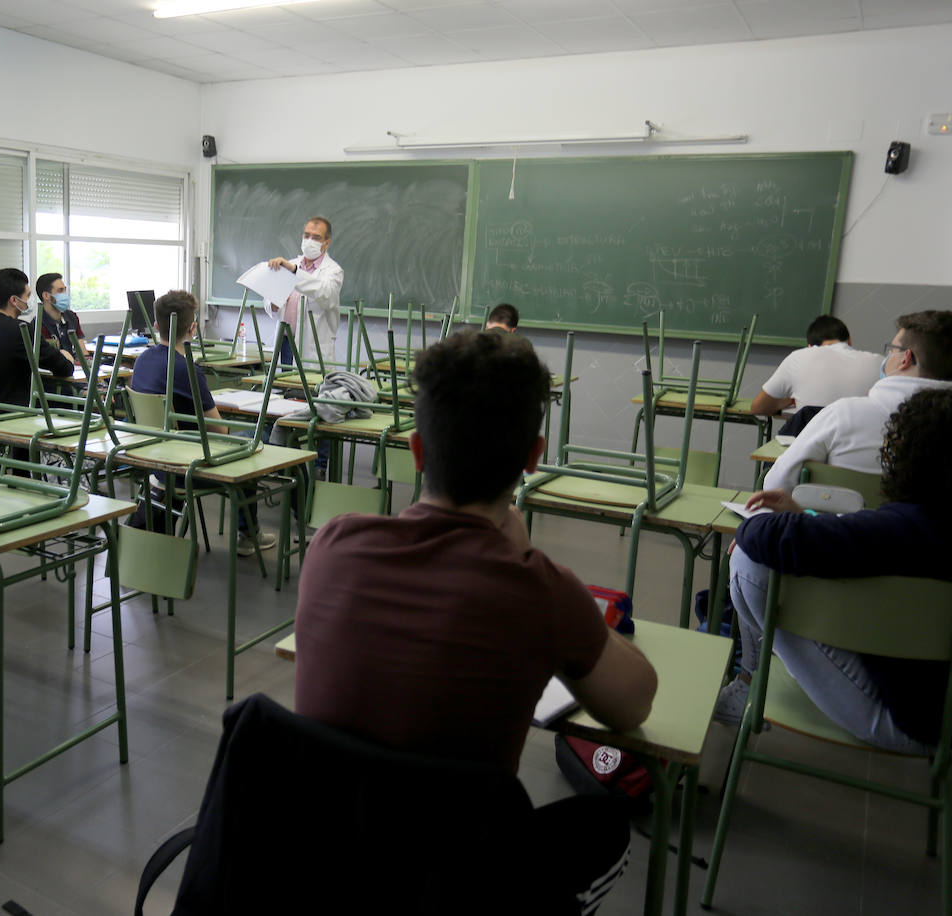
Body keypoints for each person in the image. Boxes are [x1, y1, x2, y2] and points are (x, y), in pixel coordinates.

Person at [295, 329, 657, 914]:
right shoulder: (541, 588)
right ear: (534, 459)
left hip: (324, 860)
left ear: (415, 449)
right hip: (457, 877)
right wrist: (536, 565)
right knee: (605, 828)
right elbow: (634, 704)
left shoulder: (333, 544)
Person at [716, 388, 952, 753]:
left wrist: (757, 520)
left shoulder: (907, 527)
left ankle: (749, 679)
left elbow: (766, 535)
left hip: (911, 722)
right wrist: (804, 518)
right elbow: (859, 540)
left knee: (748, 562)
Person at [130, 290, 277, 557]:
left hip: (153, 459)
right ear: (193, 328)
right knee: (255, 438)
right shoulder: (185, 368)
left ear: (155, 325)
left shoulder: (142, 360)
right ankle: (249, 534)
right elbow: (220, 431)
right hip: (188, 466)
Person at [761, 310, 952, 492]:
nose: (887, 356)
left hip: (837, 534)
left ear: (905, 358)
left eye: (892, 349)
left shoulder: (843, 415)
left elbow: (776, 483)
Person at [0, 267, 72, 419]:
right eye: (27, 296)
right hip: (6, 416)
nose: (28, 301)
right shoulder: (20, 330)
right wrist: (66, 357)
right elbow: (63, 368)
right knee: (75, 404)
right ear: (14, 300)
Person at [749, 315, 881, 418]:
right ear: (849, 340)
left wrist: (784, 402)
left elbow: (758, 407)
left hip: (813, 449)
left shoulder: (799, 357)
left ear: (810, 347)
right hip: (864, 448)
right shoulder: (880, 362)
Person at [267, 216, 343, 367]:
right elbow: (270, 298)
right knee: (283, 387)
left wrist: (294, 271)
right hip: (285, 342)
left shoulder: (333, 271)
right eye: (307, 235)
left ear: (326, 243)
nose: (309, 240)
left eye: (316, 237)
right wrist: (273, 303)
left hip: (312, 348)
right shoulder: (291, 264)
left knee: (307, 389)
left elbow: (325, 294)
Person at [35, 272, 84, 359]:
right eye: (60, 290)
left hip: (76, 368)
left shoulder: (71, 317)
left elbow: (82, 351)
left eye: (65, 290)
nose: (65, 294)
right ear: (46, 295)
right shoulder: (37, 324)